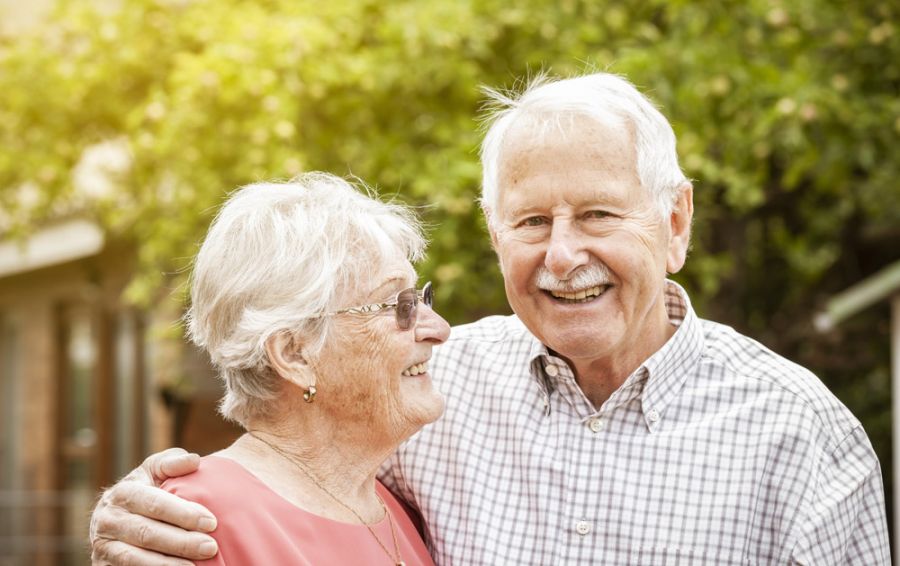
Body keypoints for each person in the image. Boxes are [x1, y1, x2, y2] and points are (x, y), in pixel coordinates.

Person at [90, 73, 890, 565]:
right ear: (494, 231)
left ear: (675, 223)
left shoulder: (801, 436)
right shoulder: (427, 394)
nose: (563, 255)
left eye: (600, 214)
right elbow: (292, 468)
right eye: (532, 221)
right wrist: (145, 509)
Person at [105, 172, 451, 565]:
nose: (439, 329)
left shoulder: (389, 506)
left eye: (422, 297)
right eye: (398, 305)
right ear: (294, 354)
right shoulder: (192, 521)